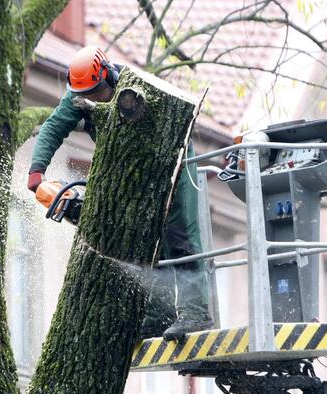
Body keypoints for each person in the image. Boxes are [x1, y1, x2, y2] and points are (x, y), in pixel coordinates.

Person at [26, 46, 212, 341]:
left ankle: (196, 312)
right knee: (148, 240)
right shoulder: (78, 97)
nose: (92, 99)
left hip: (172, 162)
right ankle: (157, 314)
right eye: (86, 94)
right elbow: (52, 129)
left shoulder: (135, 88)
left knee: (180, 237)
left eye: (97, 91)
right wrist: (36, 172)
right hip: (136, 172)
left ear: (109, 77)